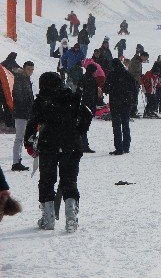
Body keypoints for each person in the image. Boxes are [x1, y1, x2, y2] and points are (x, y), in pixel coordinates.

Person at [25, 72, 87, 232]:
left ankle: (48, 218)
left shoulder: (42, 101)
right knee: (69, 179)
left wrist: (29, 143)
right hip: (71, 144)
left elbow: (32, 123)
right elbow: (87, 113)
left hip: (49, 144)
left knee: (47, 180)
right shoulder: (72, 97)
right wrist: (78, 131)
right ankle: (71, 217)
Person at [104, 59, 136, 155]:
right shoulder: (127, 74)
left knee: (117, 125)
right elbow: (134, 87)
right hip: (126, 102)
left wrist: (111, 90)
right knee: (125, 124)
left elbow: (106, 88)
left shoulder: (111, 75)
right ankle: (126, 146)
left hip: (115, 102)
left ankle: (119, 148)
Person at [11, 61, 35, 171]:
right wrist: (27, 106)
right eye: (29, 69)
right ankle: (16, 162)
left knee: (22, 137)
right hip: (21, 112)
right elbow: (17, 96)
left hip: (26, 112)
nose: (30, 71)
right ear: (24, 68)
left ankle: (17, 160)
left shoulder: (26, 79)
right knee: (19, 138)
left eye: (32, 69)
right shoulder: (20, 79)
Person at [77, 63, 98, 152]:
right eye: (95, 71)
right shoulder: (91, 80)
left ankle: (81, 144)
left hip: (83, 105)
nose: (96, 73)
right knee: (84, 126)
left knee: (83, 125)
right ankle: (83, 145)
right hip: (87, 106)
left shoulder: (83, 78)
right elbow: (92, 94)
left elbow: (79, 91)